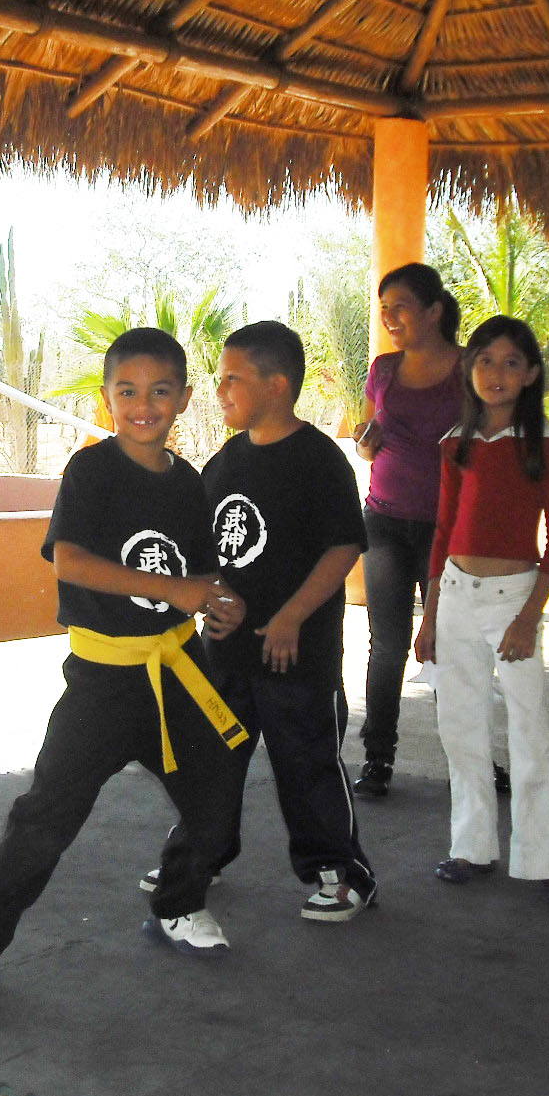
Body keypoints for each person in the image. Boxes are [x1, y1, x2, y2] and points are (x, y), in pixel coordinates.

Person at [0, 327, 251, 1016]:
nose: (143, 406)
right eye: (127, 391)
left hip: (177, 669)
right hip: (103, 680)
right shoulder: (91, 472)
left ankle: (178, 901)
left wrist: (221, 602)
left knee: (218, 794)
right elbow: (70, 562)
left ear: (184, 399)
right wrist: (175, 590)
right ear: (106, 398)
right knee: (46, 815)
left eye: (159, 391)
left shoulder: (189, 484)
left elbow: (200, 574)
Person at [149, 321, 377, 920]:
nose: (219, 390)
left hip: (296, 656)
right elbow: (205, 548)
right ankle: (198, 858)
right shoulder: (225, 462)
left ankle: (342, 874)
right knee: (212, 760)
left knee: (306, 765)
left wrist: (290, 617)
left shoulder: (319, 461)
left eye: (233, 379)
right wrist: (215, 598)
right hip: (227, 654)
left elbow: (343, 547)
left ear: (277, 385)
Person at [413, 317, 549, 909]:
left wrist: (528, 617)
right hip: (456, 596)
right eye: (485, 360)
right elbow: (442, 533)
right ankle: (472, 847)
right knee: (460, 727)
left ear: (531, 373)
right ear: (469, 369)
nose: (496, 373)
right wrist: (430, 615)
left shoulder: (544, 444)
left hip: (514, 600)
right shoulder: (456, 442)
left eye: (511, 363)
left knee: (531, 730)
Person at [351, 262, 463, 799]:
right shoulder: (383, 369)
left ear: (434, 311)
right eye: (384, 309)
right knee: (388, 645)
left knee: (450, 645)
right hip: (385, 522)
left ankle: (470, 758)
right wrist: (366, 441)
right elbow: (368, 440)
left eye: (401, 307)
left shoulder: (470, 369)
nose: (390, 318)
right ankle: (378, 758)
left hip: (450, 528)